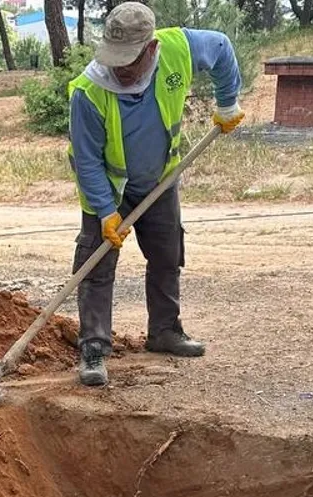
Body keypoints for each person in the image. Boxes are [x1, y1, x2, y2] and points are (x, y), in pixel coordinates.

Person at [67, 1, 244, 387]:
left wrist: (228, 102)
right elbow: (87, 161)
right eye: (114, 58)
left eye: (128, 60)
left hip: (160, 181)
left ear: (151, 49)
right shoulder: (87, 92)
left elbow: (222, 48)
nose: (119, 69)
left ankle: (164, 331)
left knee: (167, 255)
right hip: (108, 189)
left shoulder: (179, 48)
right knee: (96, 266)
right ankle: (94, 347)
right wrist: (105, 212)